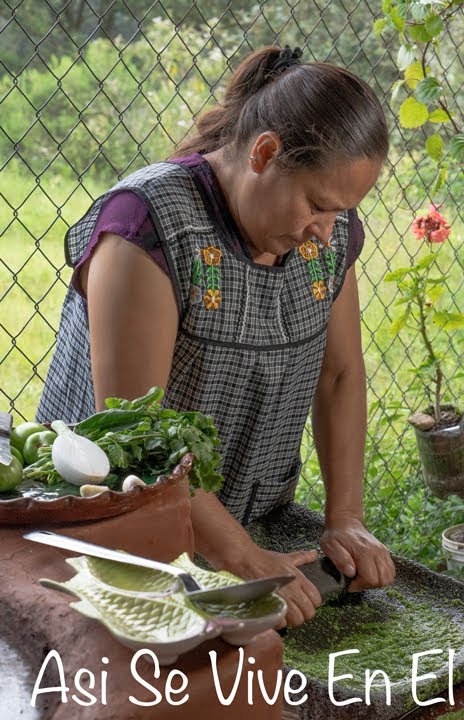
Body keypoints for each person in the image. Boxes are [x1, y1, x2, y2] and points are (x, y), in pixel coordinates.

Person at [37, 46, 396, 627]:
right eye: (316, 205)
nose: (324, 234)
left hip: (244, 522)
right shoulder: (145, 227)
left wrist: (346, 518)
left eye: (340, 212)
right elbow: (136, 430)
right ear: (265, 153)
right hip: (103, 530)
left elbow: (339, 375)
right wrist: (241, 557)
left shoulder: (326, 235)